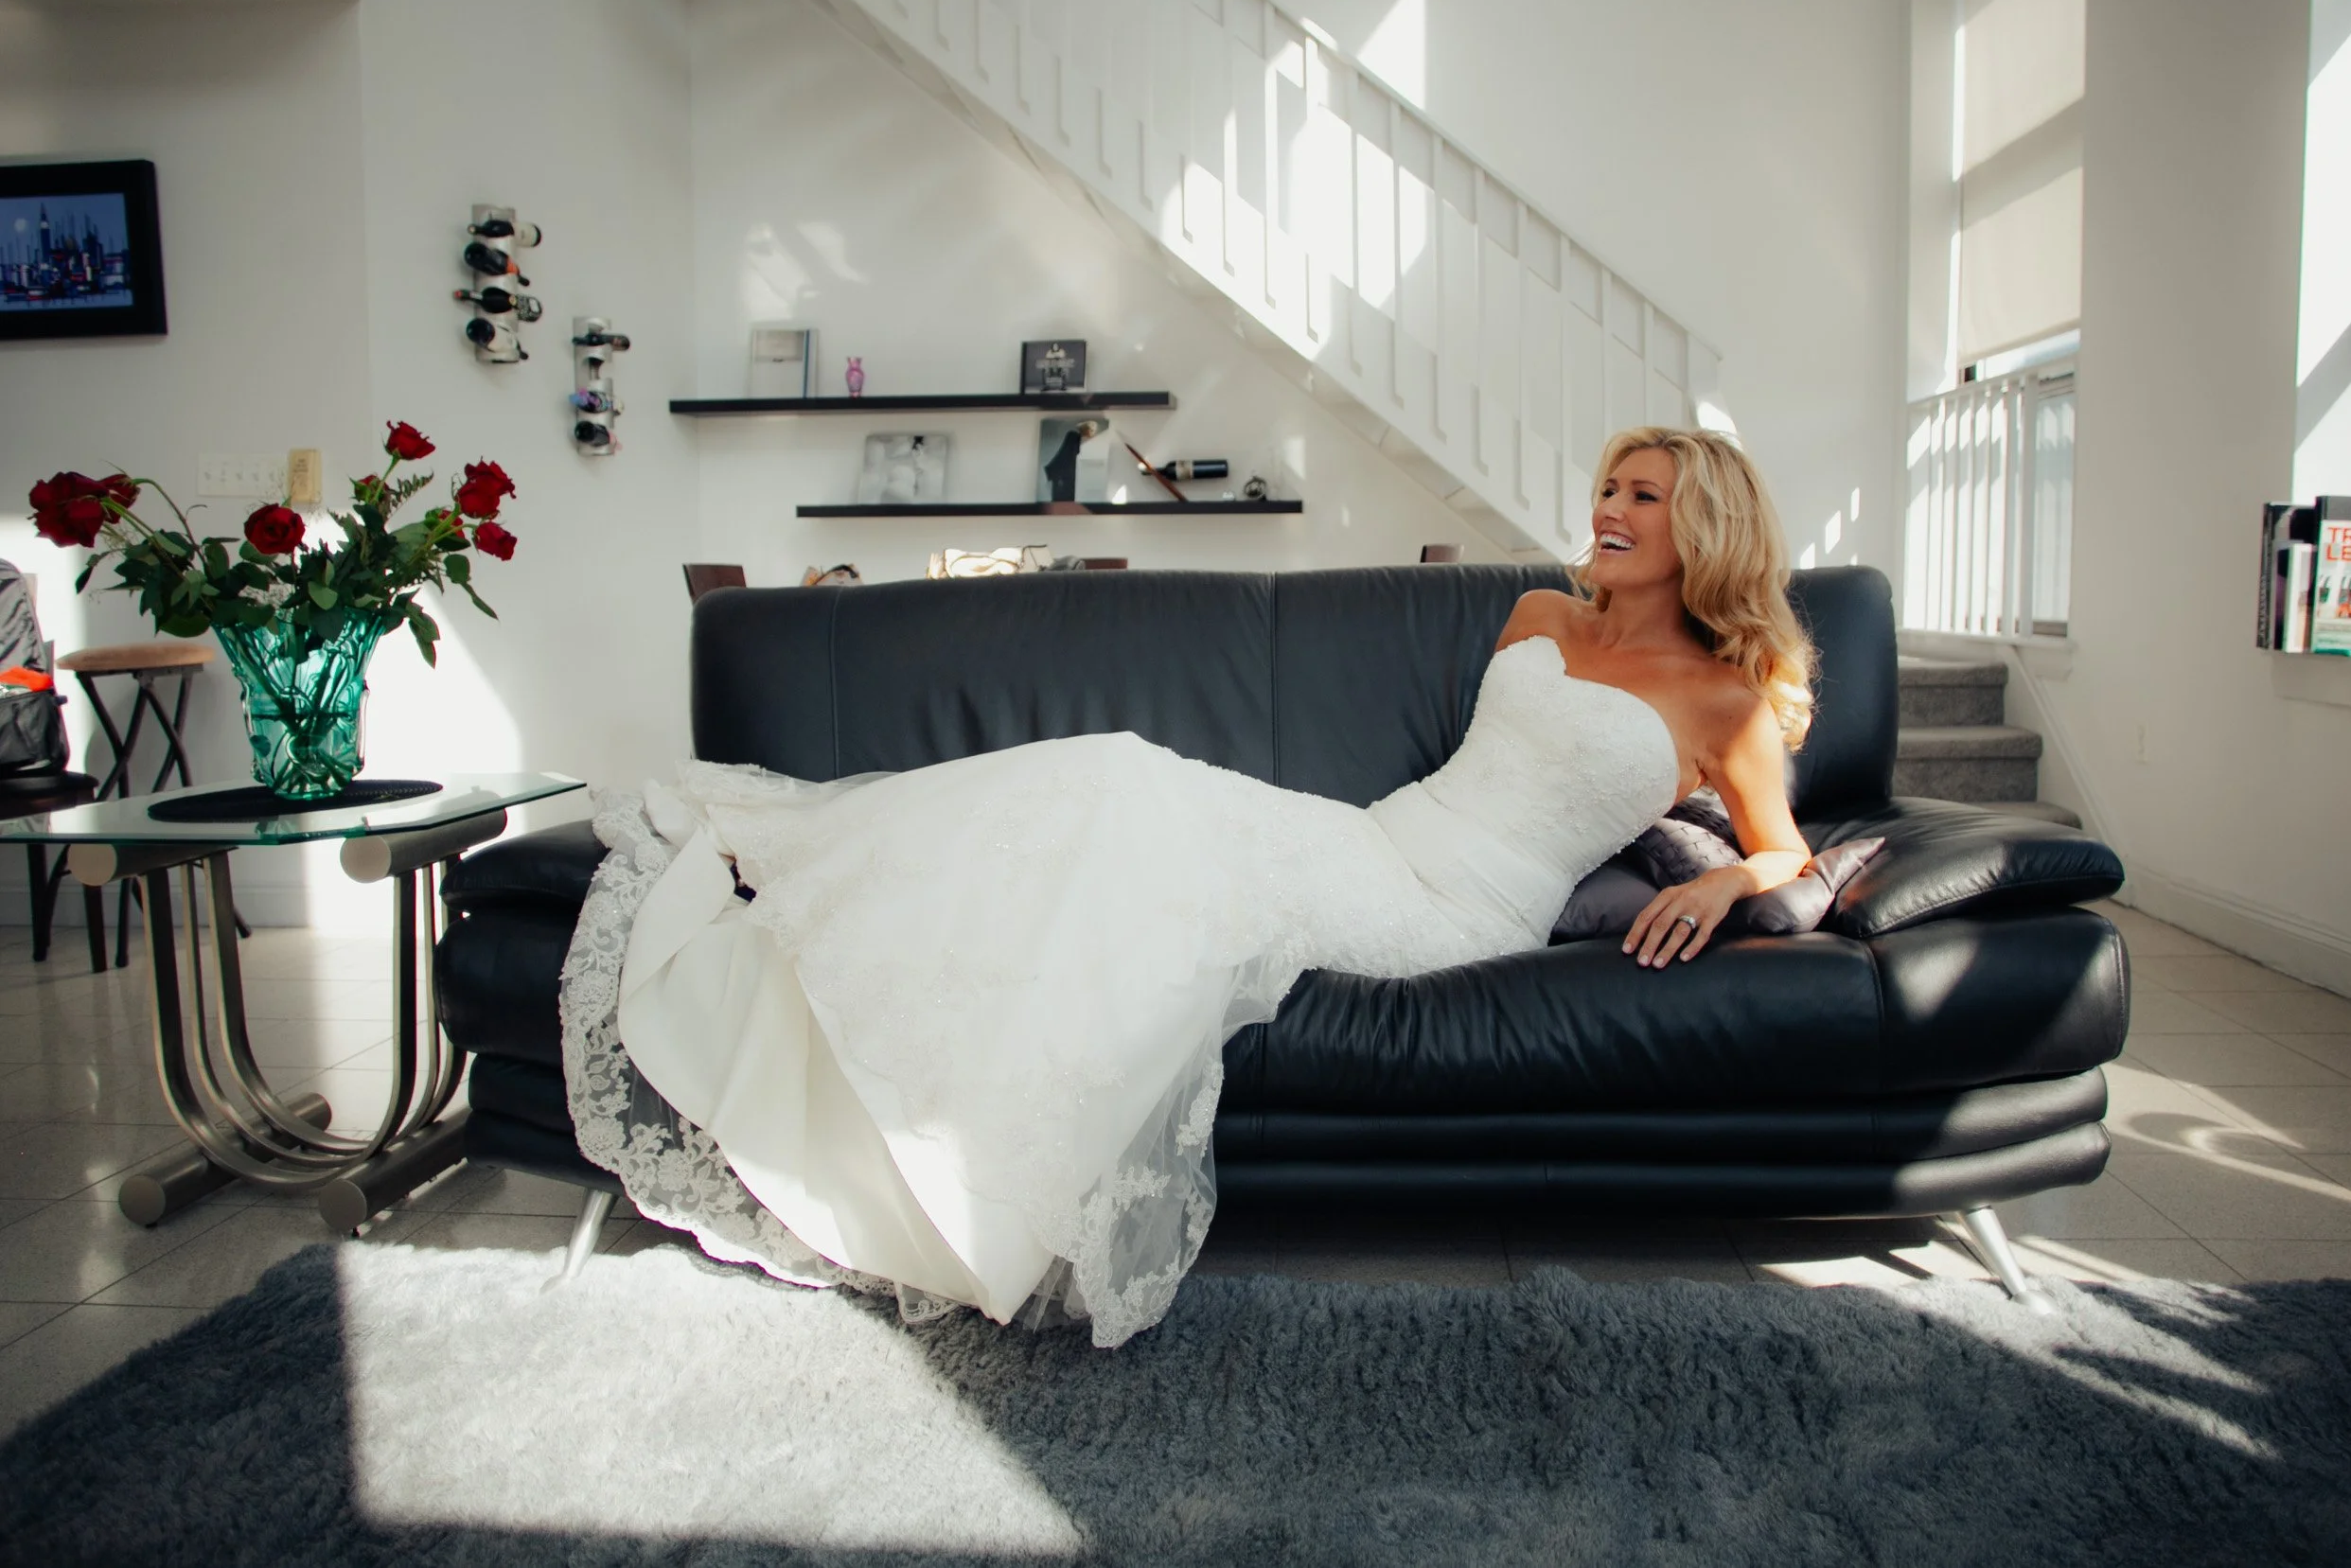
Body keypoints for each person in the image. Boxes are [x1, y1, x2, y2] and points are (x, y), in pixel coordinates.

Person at [563, 427, 1816, 1346]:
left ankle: (959, 1175)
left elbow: (1790, 853)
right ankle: (817, 874)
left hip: (1450, 919)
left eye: (1642, 494)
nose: (1608, 504)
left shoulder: (1727, 698)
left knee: (1130, 807)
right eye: (1607, 483)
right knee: (1115, 780)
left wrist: (1726, 883)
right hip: (1370, 838)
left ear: (1702, 523)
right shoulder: (1540, 607)